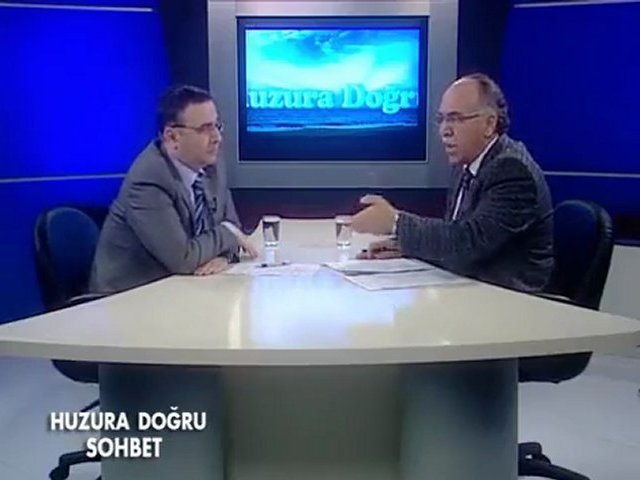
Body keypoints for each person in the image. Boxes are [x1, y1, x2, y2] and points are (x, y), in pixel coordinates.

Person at [352, 74, 553, 293]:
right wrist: (407, 246)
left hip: (513, 300)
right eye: (441, 119)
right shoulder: (466, 164)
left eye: (456, 119)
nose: (444, 131)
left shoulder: (511, 170)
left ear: (489, 124)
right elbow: (454, 239)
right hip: (472, 288)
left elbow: (470, 242)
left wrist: (396, 222)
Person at [90, 85, 257, 294]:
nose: (217, 138)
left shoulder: (211, 164)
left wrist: (223, 256)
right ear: (172, 137)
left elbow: (233, 226)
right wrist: (228, 234)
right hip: (129, 297)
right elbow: (183, 259)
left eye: (217, 126)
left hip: (185, 288)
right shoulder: (148, 180)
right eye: (204, 129)